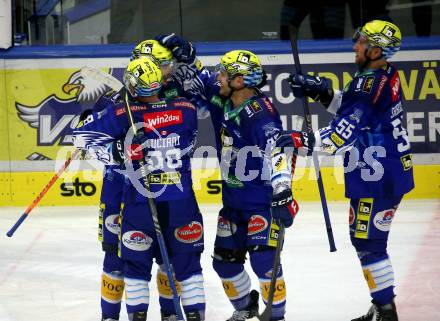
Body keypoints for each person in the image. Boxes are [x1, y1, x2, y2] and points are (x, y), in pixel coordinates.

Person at [277, 20, 414, 321]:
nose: (355, 46)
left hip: (377, 176)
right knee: (367, 241)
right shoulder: (380, 75)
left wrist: (303, 140)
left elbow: (341, 134)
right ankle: (382, 306)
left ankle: (386, 312)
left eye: (361, 42)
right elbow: (355, 111)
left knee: (368, 243)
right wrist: (322, 93)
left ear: (376, 49)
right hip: (384, 171)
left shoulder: (370, 84)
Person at [157, 35, 298, 321]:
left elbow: (280, 148)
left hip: (262, 203)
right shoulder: (224, 98)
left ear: (239, 81)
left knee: (264, 263)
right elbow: (200, 77)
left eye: (223, 73)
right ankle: (246, 306)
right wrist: (186, 56)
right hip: (233, 203)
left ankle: (277, 317)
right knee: (224, 264)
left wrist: (283, 189)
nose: (218, 76)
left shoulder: (260, 115)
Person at [73, 56, 205, 321]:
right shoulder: (186, 108)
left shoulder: (123, 114)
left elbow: (81, 139)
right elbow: (183, 137)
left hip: (139, 202)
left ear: (132, 86)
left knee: (135, 269)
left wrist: (117, 151)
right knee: (189, 268)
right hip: (182, 202)